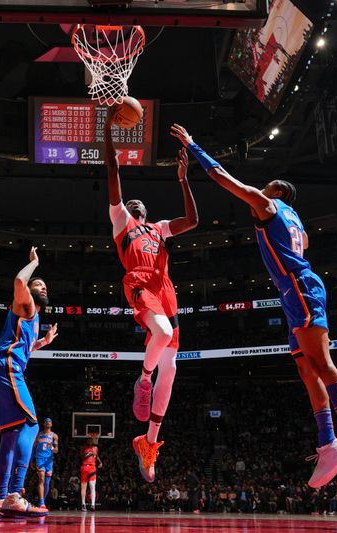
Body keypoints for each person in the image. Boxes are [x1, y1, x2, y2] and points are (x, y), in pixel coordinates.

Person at [170, 123, 337, 489]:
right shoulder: (296, 221)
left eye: (268, 184)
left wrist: (194, 144)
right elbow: (304, 244)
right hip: (293, 293)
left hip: (300, 288)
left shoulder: (270, 205)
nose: (262, 188)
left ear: (279, 191)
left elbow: (222, 177)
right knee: (305, 370)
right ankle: (329, 443)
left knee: (321, 364)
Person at [104, 108, 199, 483]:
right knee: (160, 334)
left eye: (140, 204)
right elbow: (112, 171)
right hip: (140, 283)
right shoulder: (121, 223)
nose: (135, 204)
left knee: (172, 369)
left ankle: (149, 442)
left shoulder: (159, 228)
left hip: (166, 289)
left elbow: (192, 221)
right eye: (131, 203)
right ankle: (142, 380)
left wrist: (183, 179)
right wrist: (108, 130)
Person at [0, 247, 58, 519]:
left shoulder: (34, 318)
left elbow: (22, 348)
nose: (43, 287)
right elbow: (18, 282)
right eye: (40, 284)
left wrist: (42, 343)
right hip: (7, 368)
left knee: (11, 434)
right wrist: (34, 265)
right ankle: (14, 495)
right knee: (32, 424)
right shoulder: (25, 303)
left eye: (46, 285)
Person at [33, 417, 58, 511]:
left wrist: (51, 448)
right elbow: (34, 447)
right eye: (46, 421)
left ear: (51, 424)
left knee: (47, 483)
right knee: (41, 478)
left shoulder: (54, 436)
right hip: (40, 459)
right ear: (44, 424)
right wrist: (32, 459)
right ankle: (42, 502)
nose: (48, 423)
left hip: (49, 461)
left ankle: (42, 500)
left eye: (49, 422)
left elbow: (56, 450)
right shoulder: (39, 435)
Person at [80, 435, 102, 511]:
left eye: (91, 440)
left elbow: (97, 456)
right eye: (89, 440)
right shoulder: (83, 448)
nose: (90, 441)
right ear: (86, 441)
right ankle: (83, 504)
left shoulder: (95, 448)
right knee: (84, 487)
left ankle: (93, 505)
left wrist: (100, 462)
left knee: (92, 487)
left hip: (92, 468)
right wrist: (88, 454)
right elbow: (82, 457)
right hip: (84, 467)